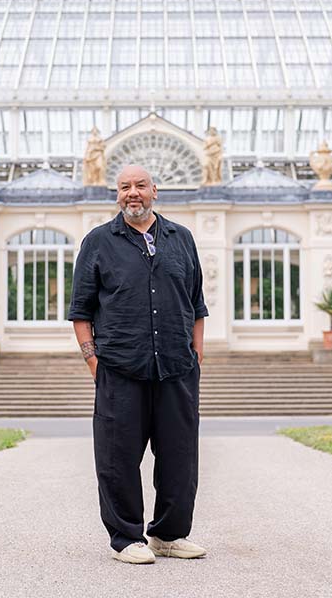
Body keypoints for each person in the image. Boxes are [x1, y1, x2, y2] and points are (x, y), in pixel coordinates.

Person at [68, 163, 208, 565]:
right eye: (125, 186)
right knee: (117, 457)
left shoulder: (182, 239)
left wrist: (197, 354)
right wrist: (93, 361)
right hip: (119, 368)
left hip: (177, 369)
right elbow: (81, 311)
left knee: (180, 455)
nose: (133, 192)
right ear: (117, 195)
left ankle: (168, 534)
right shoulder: (98, 242)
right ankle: (126, 538)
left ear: (155, 191)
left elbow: (196, 305)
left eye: (140, 185)